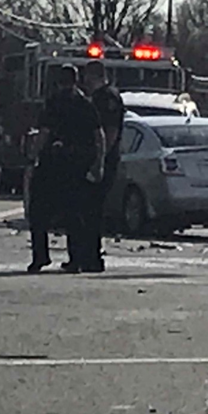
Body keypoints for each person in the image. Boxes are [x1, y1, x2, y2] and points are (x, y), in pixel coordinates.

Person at [28, 64, 105, 274]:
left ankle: (40, 257)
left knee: (38, 212)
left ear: (58, 82)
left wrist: (32, 156)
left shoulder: (54, 102)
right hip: (77, 165)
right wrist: (98, 163)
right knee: (74, 214)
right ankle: (75, 260)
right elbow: (99, 136)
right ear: (76, 80)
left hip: (53, 164)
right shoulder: (85, 104)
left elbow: (44, 132)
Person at [82, 59, 125, 272]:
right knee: (88, 210)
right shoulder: (98, 97)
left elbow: (111, 131)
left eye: (87, 76)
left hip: (102, 162)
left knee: (93, 210)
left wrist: (100, 159)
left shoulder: (107, 98)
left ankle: (93, 257)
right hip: (95, 160)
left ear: (95, 76)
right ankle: (86, 255)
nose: (84, 81)